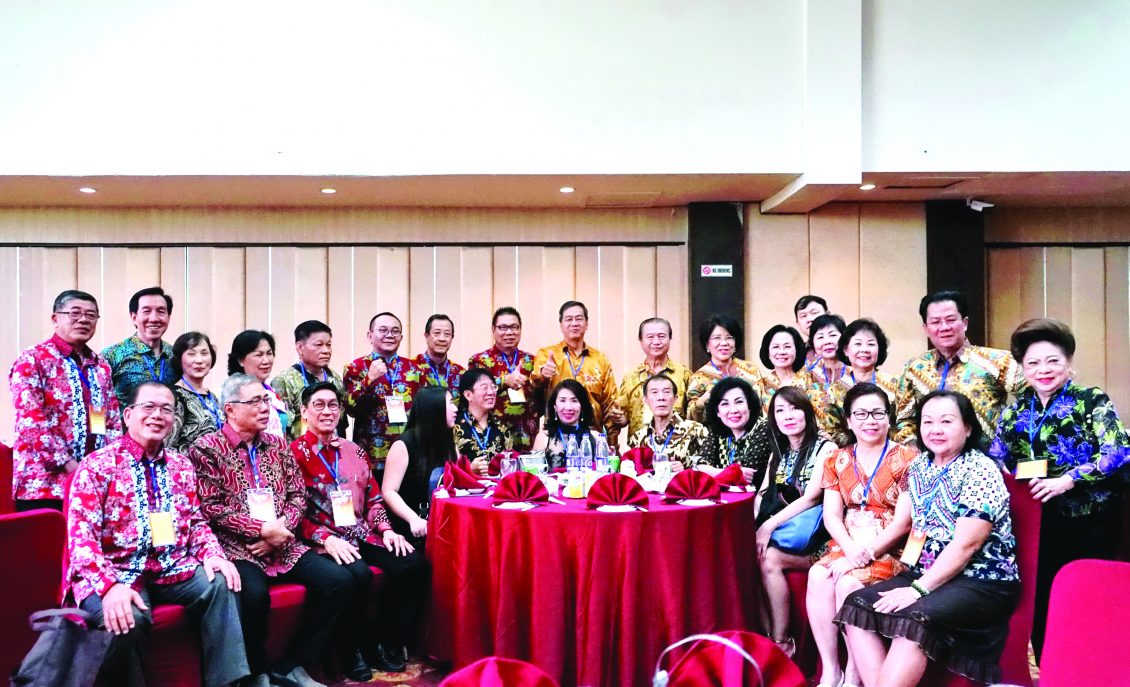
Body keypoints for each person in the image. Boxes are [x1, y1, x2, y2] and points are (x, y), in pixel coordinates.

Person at [67, 381, 250, 687]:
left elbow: (195, 521)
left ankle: (227, 683)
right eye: (148, 407)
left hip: (170, 565)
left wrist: (213, 555)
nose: (157, 415)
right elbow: (81, 537)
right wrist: (109, 587)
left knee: (222, 582)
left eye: (166, 409)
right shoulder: (97, 465)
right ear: (128, 415)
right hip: (116, 570)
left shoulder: (180, 465)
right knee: (128, 618)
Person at [838, 391, 1020, 687]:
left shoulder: (981, 469)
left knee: (914, 616)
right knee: (857, 605)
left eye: (946, 421)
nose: (936, 429)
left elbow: (967, 544)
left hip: (980, 580)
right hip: (925, 571)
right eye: (928, 421)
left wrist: (917, 590)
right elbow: (911, 525)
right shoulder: (919, 465)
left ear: (968, 428)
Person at [189, 374, 351, 687]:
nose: (265, 408)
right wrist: (262, 530)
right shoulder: (206, 449)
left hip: (284, 542)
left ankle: (293, 663)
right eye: (255, 402)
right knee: (254, 595)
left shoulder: (277, 444)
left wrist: (281, 529)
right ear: (230, 409)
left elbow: (297, 494)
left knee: (338, 582)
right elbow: (210, 507)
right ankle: (257, 673)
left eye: (265, 400)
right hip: (238, 547)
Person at [988, 318, 1130, 657]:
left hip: (1089, 519)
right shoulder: (1015, 411)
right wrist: (1008, 475)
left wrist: (1067, 480)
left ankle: (1091, 667)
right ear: (1023, 369)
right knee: (1042, 598)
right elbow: (995, 457)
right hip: (1035, 523)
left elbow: (1118, 451)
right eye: (1033, 363)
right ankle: (1049, 665)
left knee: (1085, 596)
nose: (1044, 370)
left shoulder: (1090, 400)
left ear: (1068, 362)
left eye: (1053, 361)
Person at [292, 382, 429, 678]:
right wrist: (325, 538)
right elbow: (294, 512)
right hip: (325, 538)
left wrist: (386, 530)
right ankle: (351, 648)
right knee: (359, 576)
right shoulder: (294, 455)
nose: (327, 411)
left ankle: (386, 639)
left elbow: (373, 498)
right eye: (318, 405)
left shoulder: (354, 450)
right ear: (304, 411)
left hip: (362, 532)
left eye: (333, 405)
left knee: (413, 564)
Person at [806, 383, 916, 687]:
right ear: (849, 420)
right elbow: (831, 515)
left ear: (889, 417)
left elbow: (902, 524)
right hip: (848, 543)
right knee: (818, 575)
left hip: (890, 547)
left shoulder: (907, 459)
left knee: (849, 582)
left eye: (878, 413)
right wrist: (851, 550)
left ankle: (854, 673)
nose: (870, 421)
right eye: (861, 414)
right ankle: (831, 670)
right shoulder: (836, 459)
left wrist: (864, 555)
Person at [9, 289, 122, 511]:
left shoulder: (100, 366)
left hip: (92, 482)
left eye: (91, 315)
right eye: (75, 313)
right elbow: (30, 420)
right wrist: (67, 463)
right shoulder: (34, 358)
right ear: (55, 319)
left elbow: (109, 421)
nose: (83, 320)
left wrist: (107, 465)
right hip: (44, 483)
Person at [752, 386, 837, 658]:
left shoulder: (826, 448)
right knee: (749, 554)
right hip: (786, 533)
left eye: (794, 408)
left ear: (807, 413)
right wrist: (753, 528)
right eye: (780, 410)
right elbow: (763, 494)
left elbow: (812, 497)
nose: (787, 415)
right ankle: (768, 636)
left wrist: (768, 526)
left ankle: (782, 642)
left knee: (769, 559)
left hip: (821, 539)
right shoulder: (780, 451)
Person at [893, 290, 1024, 444]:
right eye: (935, 322)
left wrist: (1009, 443)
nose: (944, 327)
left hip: (987, 456)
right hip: (932, 456)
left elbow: (1033, 401)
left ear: (965, 323)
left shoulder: (998, 361)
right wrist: (915, 448)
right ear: (926, 329)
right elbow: (904, 421)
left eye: (950, 320)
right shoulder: (914, 368)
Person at [343, 312, 425, 474]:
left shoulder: (415, 369)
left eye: (395, 331)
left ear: (401, 337)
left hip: (408, 453)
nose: (389, 335)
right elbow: (351, 409)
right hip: (370, 454)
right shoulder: (356, 367)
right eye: (383, 330)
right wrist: (369, 380)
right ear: (370, 336)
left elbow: (423, 411)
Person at [532, 301, 622, 445]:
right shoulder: (547, 354)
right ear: (561, 325)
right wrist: (543, 375)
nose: (574, 323)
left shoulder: (600, 359)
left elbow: (610, 404)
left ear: (587, 324)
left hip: (591, 437)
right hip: (556, 437)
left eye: (579, 318)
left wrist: (612, 444)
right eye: (569, 319)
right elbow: (534, 385)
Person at [381, 387, 457, 545]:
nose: (456, 408)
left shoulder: (448, 440)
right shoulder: (404, 445)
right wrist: (413, 519)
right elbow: (389, 491)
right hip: (413, 527)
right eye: (450, 403)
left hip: (444, 521)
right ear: (435, 408)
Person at [467, 306, 538, 450]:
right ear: (493, 330)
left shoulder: (531, 361)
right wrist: (504, 381)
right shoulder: (479, 360)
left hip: (528, 437)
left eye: (514, 327)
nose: (509, 332)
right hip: (493, 437)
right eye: (503, 327)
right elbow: (475, 393)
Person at [824, 319, 902, 446]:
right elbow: (832, 431)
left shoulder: (896, 384)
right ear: (846, 350)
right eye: (858, 344)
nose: (864, 349)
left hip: (892, 450)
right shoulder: (834, 391)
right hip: (850, 451)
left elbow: (904, 422)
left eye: (871, 344)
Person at [269, 320, 347, 441]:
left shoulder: (334, 378)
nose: (326, 350)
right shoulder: (284, 381)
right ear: (300, 347)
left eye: (328, 345)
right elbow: (281, 427)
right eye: (319, 345)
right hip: (299, 449)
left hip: (333, 448)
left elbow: (341, 421)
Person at [616, 317, 692, 441]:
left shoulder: (683, 374)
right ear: (641, 340)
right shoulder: (630, 377)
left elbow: (692, 414)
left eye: (661, 336)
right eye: (650, 337)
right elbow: (623, 415)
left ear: (670, 338)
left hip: (677, 445)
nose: (656, 342)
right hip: (640, 446)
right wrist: (621, 419)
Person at [102, 286, 176, 407]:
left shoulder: (175, 355)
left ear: (168, 317)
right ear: (134, 317)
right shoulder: (112, 355)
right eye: (146, 311)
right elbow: (96, 401)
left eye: (161, 311)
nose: (154, 318)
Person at [692, 377, 772, 486]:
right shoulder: (718, 430)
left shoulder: (764, 428)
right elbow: (698, 466)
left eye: (739, 402)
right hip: (722, 495)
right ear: (717, 412)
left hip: (756, 495)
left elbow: (748, 472)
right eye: (725, 404)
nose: (733, 410)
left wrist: (713, 472)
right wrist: (730, 474)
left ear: (750, 406)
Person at [686, 314, 764, 422]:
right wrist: (704, 399)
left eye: (729, 338)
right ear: (707, 345)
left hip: (753, 429)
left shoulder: (751, 370)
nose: (724, 343)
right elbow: (690, 417)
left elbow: (762, 407)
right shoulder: (699, 377)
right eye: (717, 338)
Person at [627, 374, 707, 471]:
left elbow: (710, 467)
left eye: (666, 392)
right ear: (645, 400)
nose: (661, 397)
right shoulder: (638, 438)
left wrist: (687, 469)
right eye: (654, 392)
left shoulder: (695, 430)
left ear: (675, 398)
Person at [532, 379, 607, 471]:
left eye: (574, 401)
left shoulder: (597, 438)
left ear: (582, 406)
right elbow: (534, 475)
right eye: (562, 400)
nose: (568, 407)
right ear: (555, 407)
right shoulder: (543, 438)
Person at [169, 331, 225, 453]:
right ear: (179, 359)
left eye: (204, 353)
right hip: (188, 463)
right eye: (191, 354)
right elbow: (169, 447)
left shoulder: (211, 396)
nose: (199, 360)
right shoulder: (174, 396)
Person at [227, 330, 289, 440]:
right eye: (259, 355)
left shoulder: (270, 391)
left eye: (269, 353)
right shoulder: (233, 393)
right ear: (240, 360)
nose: (266, 361)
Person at [454, 368, 513, 476]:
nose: (491, 392)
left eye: (493, 387)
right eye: (484, 387)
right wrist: (468, 470)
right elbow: (446, 470)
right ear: (468, 395)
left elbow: (510, 463)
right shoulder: (455, 427)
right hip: (465, 485)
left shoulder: (501, 427)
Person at [757, 324, 814, 416]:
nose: (782, 352)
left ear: (797, 351)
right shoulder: (759, 387)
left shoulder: (811, 381)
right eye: (776, 347)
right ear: (768, 353)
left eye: (787, 346)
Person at [413, 314, 465, 393]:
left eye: (447, 334)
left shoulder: (460, 373)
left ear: (452, 338)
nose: (442, 339)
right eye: (437, 333)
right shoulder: (411, 367)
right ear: (426, 336)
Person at [806, 313, 848, 395]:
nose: (827, 341)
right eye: (820, 337)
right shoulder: (808, 374)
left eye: (832, 335)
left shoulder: (857, 371)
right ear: (812, 343)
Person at [794, 295, 829, 368]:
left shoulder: (844, 346)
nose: (810, 319)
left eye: (814, 313)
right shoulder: (796, 353)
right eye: (804, 316)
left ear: (828, 315)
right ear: (798, 323)